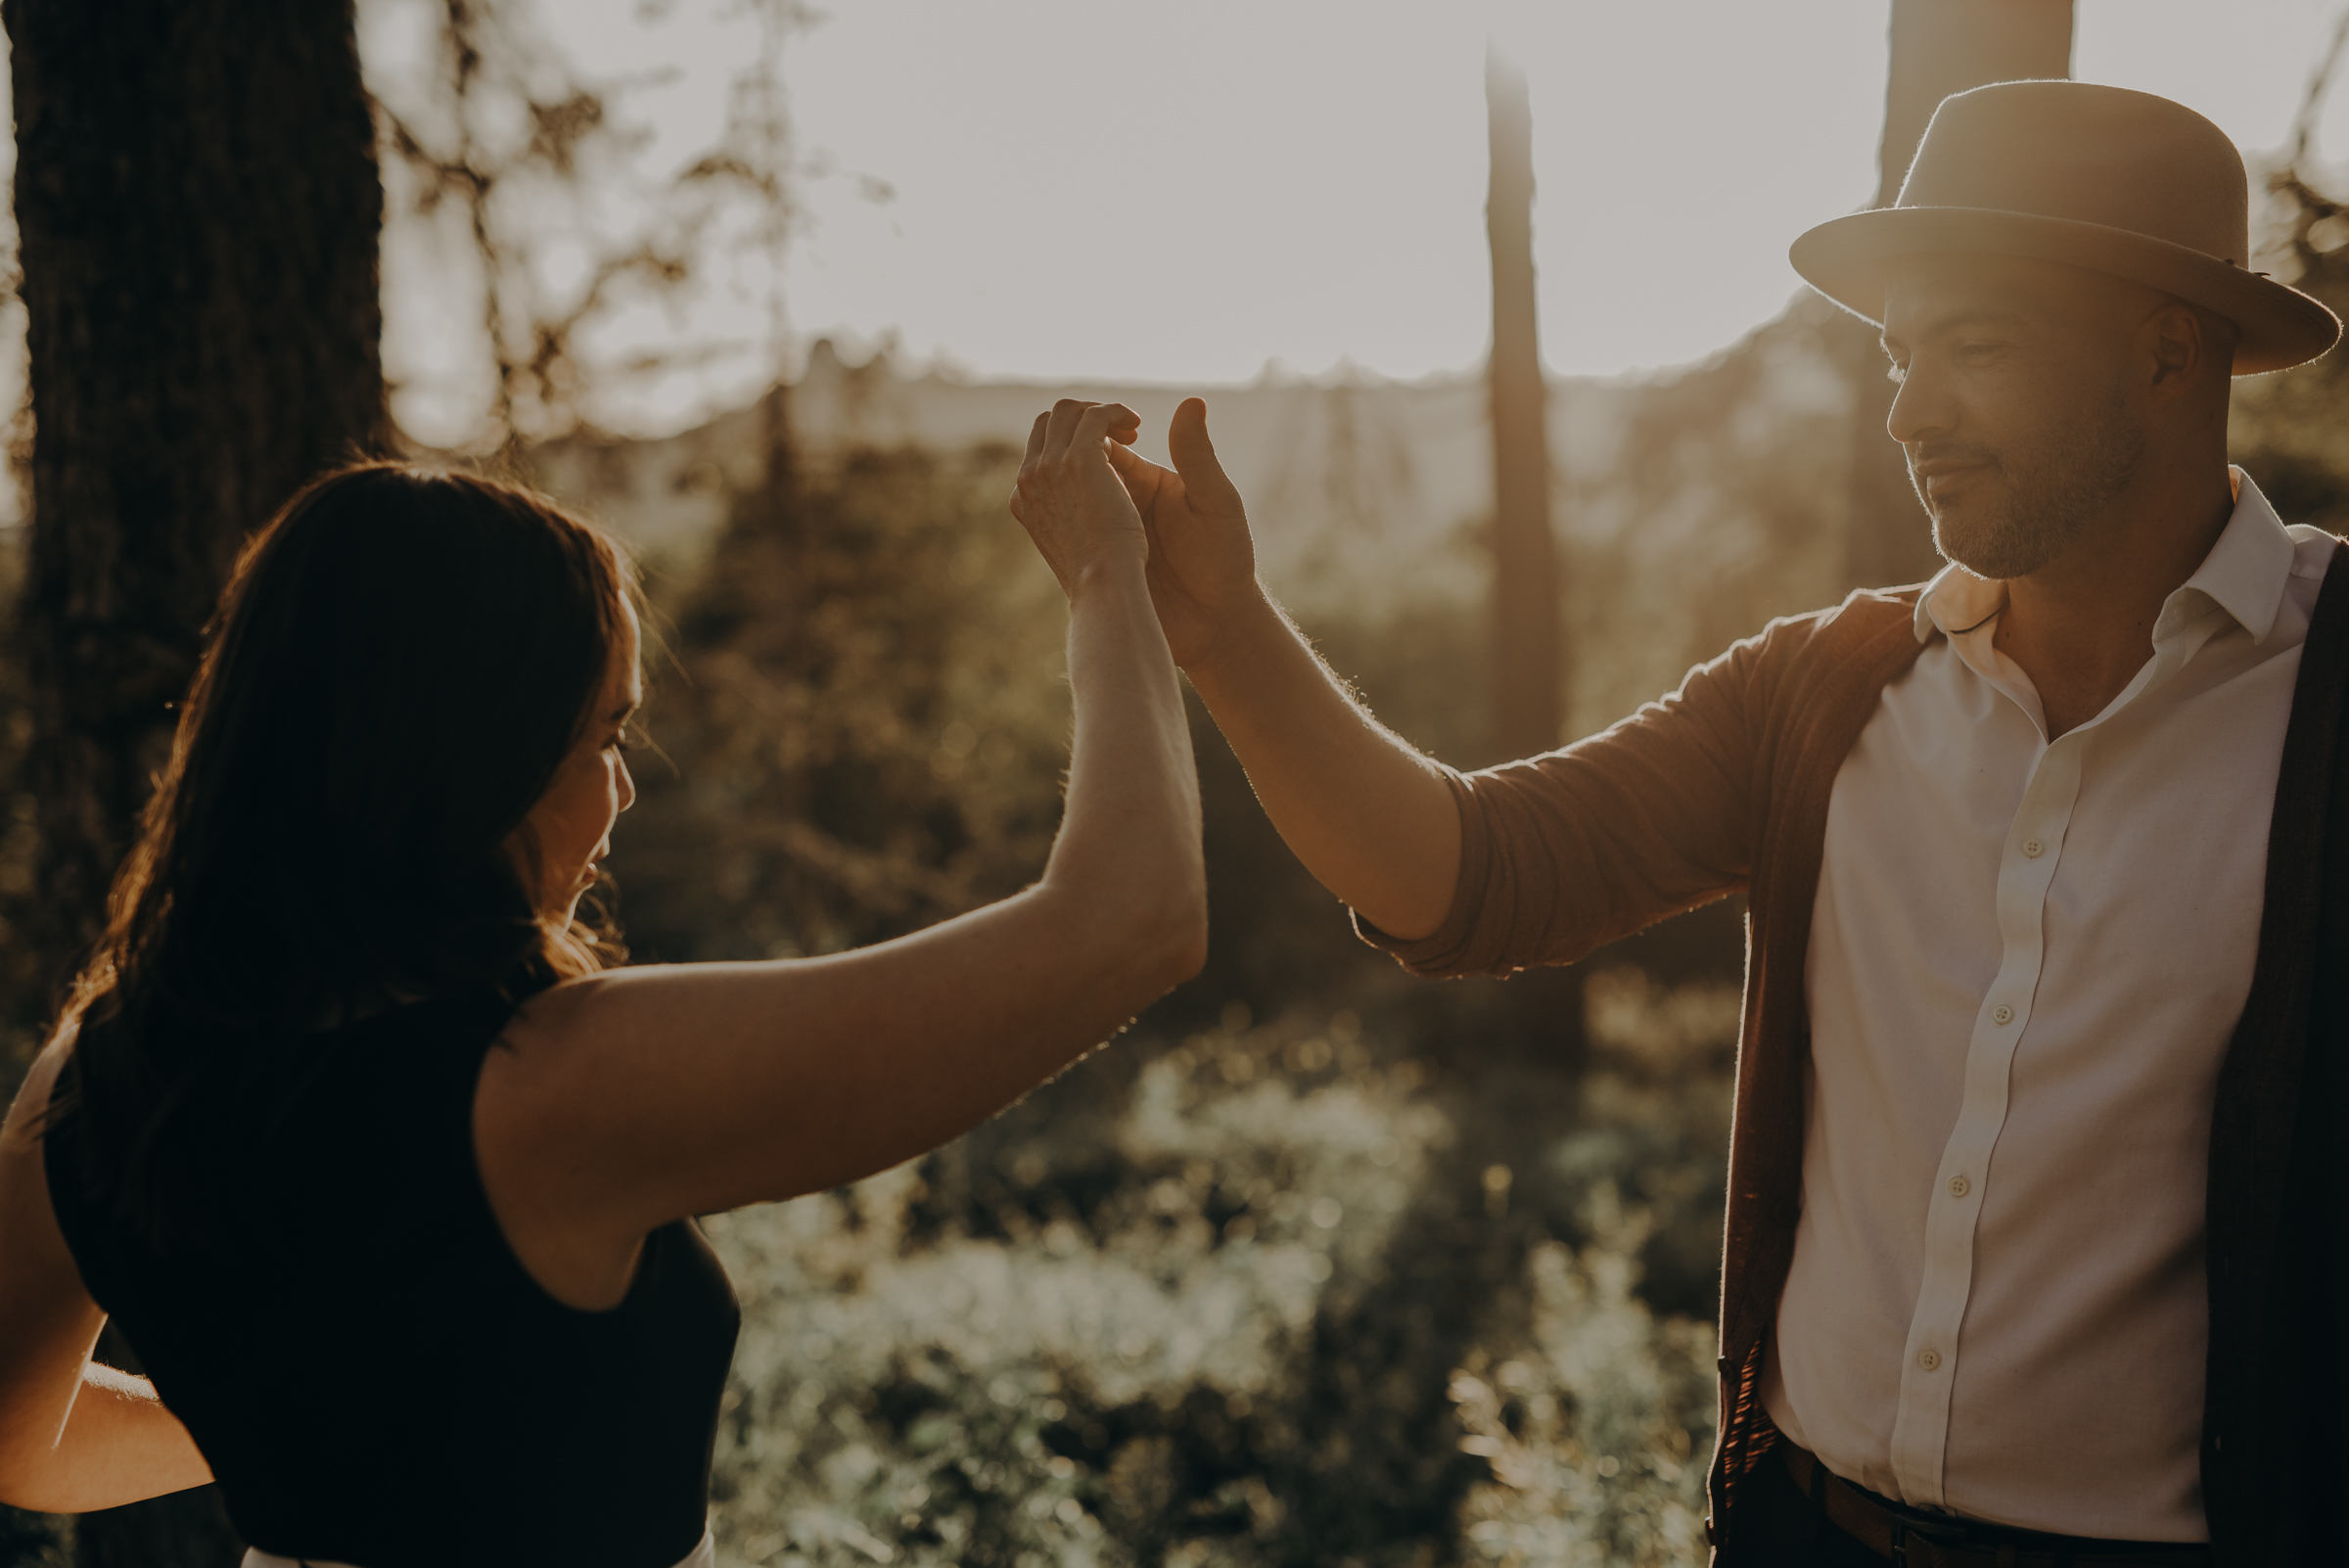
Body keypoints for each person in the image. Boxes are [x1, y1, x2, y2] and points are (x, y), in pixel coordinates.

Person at [1097, 82, 2349, 1566]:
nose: (1909, 411)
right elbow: (1467, 872)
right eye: (1900, 355)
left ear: (2165, 350)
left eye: (1977, 345)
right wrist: (1231, 637)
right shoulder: (1819, 695)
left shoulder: (2327, 705)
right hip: (1800, 1530)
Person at [0, 397, 1198, 1568]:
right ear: (469, 762)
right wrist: (1105, 576)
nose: (624, 792)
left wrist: (305, 1429)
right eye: (604, 739)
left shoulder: (97, 1079)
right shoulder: (556, 1085)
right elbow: (1131, 922)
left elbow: (20, 1446)